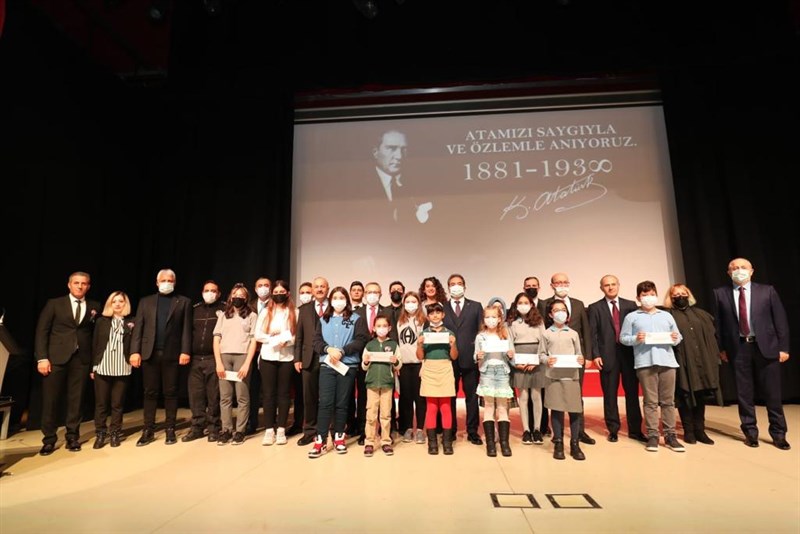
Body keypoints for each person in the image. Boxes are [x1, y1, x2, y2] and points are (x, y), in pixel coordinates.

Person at [712, 257, 791, 450]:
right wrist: (721, 348)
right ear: (729, 273)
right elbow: (719, 324)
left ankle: (778, 434)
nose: (739, 270)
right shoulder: (720, 293)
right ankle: (750, 433)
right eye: (734, 268)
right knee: (744, 393)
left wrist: (783, 348)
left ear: (751, 271)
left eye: (743, 267)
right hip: (738, 348)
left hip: (767, 347)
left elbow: (780, 320)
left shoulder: (767, 291)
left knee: (773, 393)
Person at [35, 272, 100, 455]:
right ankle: (49, 439)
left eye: (84, 283)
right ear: (69, 285)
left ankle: (72, 437)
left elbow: (96, 335)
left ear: (88, 286)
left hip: (81, 359)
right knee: (51, 400)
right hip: (55, 359)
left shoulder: (95, 306)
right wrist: (42, 358)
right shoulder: (54, 304)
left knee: (76, 400)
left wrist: (94, 363)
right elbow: (42, 331)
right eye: (76, 283)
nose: (80, 286)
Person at [619, 281, 684, 453]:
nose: (648, 297)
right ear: (638, 298)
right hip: (645, 363)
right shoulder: (632, 317)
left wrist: (674, 338)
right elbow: (623, 338)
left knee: (668, 401)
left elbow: (678, 337)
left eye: (651, 294)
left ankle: (670, 435)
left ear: (656, 295)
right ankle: (653, 435)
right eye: (644, 295)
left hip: (668, 362)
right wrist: (636, 339)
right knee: (650, 402)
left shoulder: (666, 315)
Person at [130, 268, 192, 447]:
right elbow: (139, 328)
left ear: (174, 282)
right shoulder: (145, 301)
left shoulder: (184, 302)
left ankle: (170, 428)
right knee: (149, 392)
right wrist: (135, 351)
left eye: (170, 280)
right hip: (149, 353)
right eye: (163, 280)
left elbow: (186, 329)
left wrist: (185, 351)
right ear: (157, 283)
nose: (166, 283)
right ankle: (148, 429)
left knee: (171, 392)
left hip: (172, 354)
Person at [307, 287, 370, 458]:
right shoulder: (323, 319)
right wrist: (328, 349)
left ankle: (339, 438)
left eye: (341, 297)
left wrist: (342, 351)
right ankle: (320, 440)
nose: (338, 301)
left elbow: (361, 339)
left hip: (347, 366)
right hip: (328, 366)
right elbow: (316, 341)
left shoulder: (356, 319)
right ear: (331, 300)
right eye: (335, 297)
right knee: (325, 403)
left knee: (342, 404)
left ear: (347, 300)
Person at [587, 274, 646, 442]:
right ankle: (613, 429)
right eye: (607, 285)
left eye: (613, 284)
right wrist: (596, 354)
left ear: (618, 285)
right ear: (601, 288)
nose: (610, 287)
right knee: (610, 394)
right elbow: (592, 334)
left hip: (629, 355)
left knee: (632, 394)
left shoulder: (630, 305)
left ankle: (635, 430)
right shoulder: (595, 307)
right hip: (607, 356)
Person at [540, 272, 595, 445]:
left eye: (565, 282)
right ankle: (556, 434)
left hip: (575, 360)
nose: (562, 285)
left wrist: (587, 356)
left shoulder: (578, 304)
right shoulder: (544, 304)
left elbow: (585, 330)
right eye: (558, 282)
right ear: (552, 285)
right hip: (554, 361)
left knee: (576, 395)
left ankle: (579, 432)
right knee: (554, 396)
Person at [664, 283, 722, 445]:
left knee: (700, 395)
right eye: (676, 294)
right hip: (681, 360)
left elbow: (712, 337)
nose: (680, 297)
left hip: (701, 361)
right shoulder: (667, 316)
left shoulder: (701, 315)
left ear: (689, 295)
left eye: (683, 293)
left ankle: (700, 430)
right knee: (684, 395)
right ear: (670, 298)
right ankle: (688, 431)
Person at [539, 301, 586, 461]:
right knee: (556, 409)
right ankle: (558, 442)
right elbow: (541, 354)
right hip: (553, 377)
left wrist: (580, 359)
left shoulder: (573, 333)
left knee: (574, 410)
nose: (560, 312)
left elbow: (579, 353)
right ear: (550, 314)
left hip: (571, 376)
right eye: (556, 310)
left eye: (563, 310)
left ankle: (575, 444)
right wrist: (547, 360)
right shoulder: (546, 334)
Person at [213, 283, 258, 445]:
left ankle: (240, 431)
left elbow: (253, 340)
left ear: (246, 298)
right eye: (235, 295)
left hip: (242, 357)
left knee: (242, 396)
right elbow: (216, 338)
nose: (237, 298)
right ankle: (226, 430)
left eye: (241, 296)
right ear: (230, 297)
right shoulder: (224, 315)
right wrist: (218, 362)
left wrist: (247, 363)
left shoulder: (252, 315)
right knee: (225, 397)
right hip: (224, 357)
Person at [90, 291, 134, 449]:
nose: (117, 304)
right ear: (110, 304)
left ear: (125, 304)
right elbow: (95, 344)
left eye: (121, 301)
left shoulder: (131, 321)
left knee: (117, 404)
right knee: (101, 404)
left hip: (122, 367)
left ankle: (115, 432)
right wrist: (93, 367)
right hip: (103, 367)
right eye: (114, 301)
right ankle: (101, 433)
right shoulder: (101, 321)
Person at [443, 274, 483, 445]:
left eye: (459, 283)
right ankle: (450, 430)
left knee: (472, 397)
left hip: (470, 358)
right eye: (452, 284)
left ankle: (472, 431)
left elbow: (481, 331)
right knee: (449, 396)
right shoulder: (441, 307)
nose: (456, 286)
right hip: (448, 359)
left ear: (465, 287)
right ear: (448, 287)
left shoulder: (475, 306)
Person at [182, 281, 225, 443]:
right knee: (196, 395)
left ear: (218, 294)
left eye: (213, 290)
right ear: (202, 292)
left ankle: (214, 427)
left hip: (214, 358)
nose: (210, 293)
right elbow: (187, 332)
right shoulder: (195, 309)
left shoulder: (225, 309)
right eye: (207, 290)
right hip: (195, 359)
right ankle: (197, 427)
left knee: (214, 395)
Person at [255, 280, 296, 446]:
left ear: (288, 293)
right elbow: (258, 335)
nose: (279, 295)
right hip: (268, 356)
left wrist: (287, 340)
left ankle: (281, 429)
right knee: (268, 394)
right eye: (276, 292)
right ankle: (269, 430)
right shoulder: (265, 312)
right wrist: (272, 338)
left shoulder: (294, 312)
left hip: (286, 357)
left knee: (284, 394)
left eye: (282, 292)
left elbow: (297, 335)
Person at [351, 281, 390, 444]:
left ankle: (384, 431)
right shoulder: (356, 312)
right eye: (369, 292)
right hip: (363, 360)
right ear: (364, 294)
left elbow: (392, 335)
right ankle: (364, 431)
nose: (372, 295)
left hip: (383, 362)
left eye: (376, 292)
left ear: (380, 294)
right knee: (363, 397)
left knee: (385, 398)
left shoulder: (387, 311)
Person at [417, 302, 458, 455]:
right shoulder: (424, 333)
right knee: (432, 407)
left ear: (443, 315)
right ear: (428, 317)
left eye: (438, 312)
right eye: (432, 313)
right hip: (429, 369)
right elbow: (420, 356)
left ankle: (447, 442)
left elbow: (454, 356)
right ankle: (432, 442)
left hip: (445, 368)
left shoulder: (449, 333)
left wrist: (453, 345)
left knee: (446, 407)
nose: (435, 315)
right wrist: (419, 345)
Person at [507, 292, 547, 445]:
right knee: (523, 397)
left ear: (531, 305)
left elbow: (544, 342)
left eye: (526, 302)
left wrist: (537, 360)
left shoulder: (539, 322)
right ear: (516, 305)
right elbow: (509, 344)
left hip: (536, 361)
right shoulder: (511, 323)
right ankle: (526, 430)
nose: (523, 305)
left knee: (536, 396)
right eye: (520, 303)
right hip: (520, 361)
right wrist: (515, 362)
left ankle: (537, 429)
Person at [475, 306, 515, 457]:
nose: (490, 320)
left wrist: (510, 355)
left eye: (493, 317)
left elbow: (512, 356)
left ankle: (504, 443)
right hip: (487, 372)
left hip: (502, 372)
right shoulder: (480, 337)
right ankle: (490, 443)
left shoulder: (505, 335)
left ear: (499, 319)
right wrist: (478, 356)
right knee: (489, 407)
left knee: (503, 408)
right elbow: (475, 355)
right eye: (487, 317)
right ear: (484, 319)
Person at [294, 277, 329, 446]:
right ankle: (309, 431)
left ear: (327, 289)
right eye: (317, 287)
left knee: (327, 396)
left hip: (329, 358)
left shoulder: (334, 307)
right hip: (308, 359)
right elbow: (299, 335)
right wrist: (297, 358)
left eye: (323, 286)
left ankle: (327, 430)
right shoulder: (304, 309)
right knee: (309, 397)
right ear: (313, 290)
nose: (319, 289)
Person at [361, 314, 402, 456]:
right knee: (371, 414)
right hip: (372, 383)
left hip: (387, 383)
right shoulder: (370, 345)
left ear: (389, 328)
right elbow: (364, 366)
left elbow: (399, 365)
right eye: (379, 326)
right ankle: (369, 442)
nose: (381, 328)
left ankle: (385, 441)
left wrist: (396, 361)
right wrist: (366, 361)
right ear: (374, 328)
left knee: (386, 414)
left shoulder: (393, 345)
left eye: (384, 326)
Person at [396, 291, 427, 445]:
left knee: (420, 398)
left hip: (419, 364)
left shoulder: (424, 321)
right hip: (404, 365)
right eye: (407, 301)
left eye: (413, 301)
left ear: (418, 304)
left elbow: (427, 345)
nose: (410, 304)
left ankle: (420, 429)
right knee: (406, 398)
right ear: (404, 304)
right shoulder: (399, 321)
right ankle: (408, 427)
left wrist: (424, 364)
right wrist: (397, 364)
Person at [522, 275, 549, 437]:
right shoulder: (517, 307)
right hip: (523, 358)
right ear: (524, 288)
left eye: (534, 285)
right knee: (526, 393)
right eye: (528, 286)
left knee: (541, 392)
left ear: (539, 287)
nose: (531, 288)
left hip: (542, 354)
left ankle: (542, 427)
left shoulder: (547, 305)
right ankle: (529, 427)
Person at [287, 281, 314, 437]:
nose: (305, 295)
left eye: (308, 292)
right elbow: (297, 336)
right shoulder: (297, 311)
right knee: (300, 393)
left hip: (315, 358)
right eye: (302, 293)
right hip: (299, 357)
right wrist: (297, 358)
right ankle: (298, 423)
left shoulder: (319, 310)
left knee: (313, 394)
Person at [246, 277, 272, 435]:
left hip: (271, 352)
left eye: (266, 285)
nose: (263, 288)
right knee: (252, 390)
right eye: (260, 286)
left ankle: (272, 423)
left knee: (270, 391)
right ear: (255, 289)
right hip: (252, 352)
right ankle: (251, 423)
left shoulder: (277, 304)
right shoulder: (248, 306)